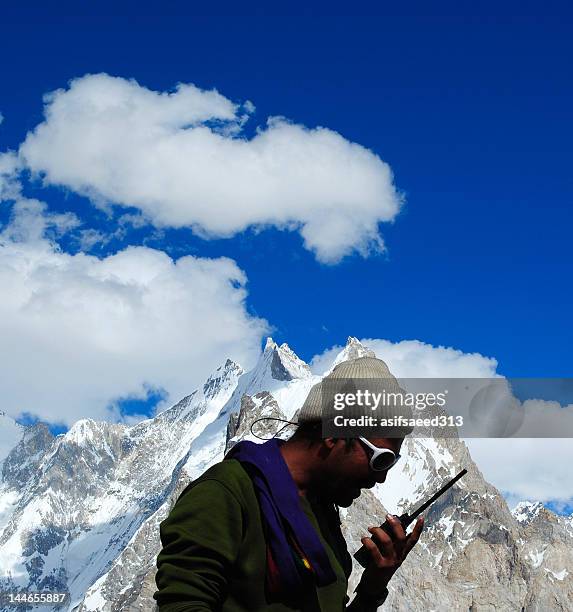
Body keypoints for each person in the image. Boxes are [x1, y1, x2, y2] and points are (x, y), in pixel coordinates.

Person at [153, 356, 424, 611]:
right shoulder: (225, 494)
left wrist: (372, 588)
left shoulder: (321, 514)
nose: (381, 477)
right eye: (380, 459)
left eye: (392, 462)